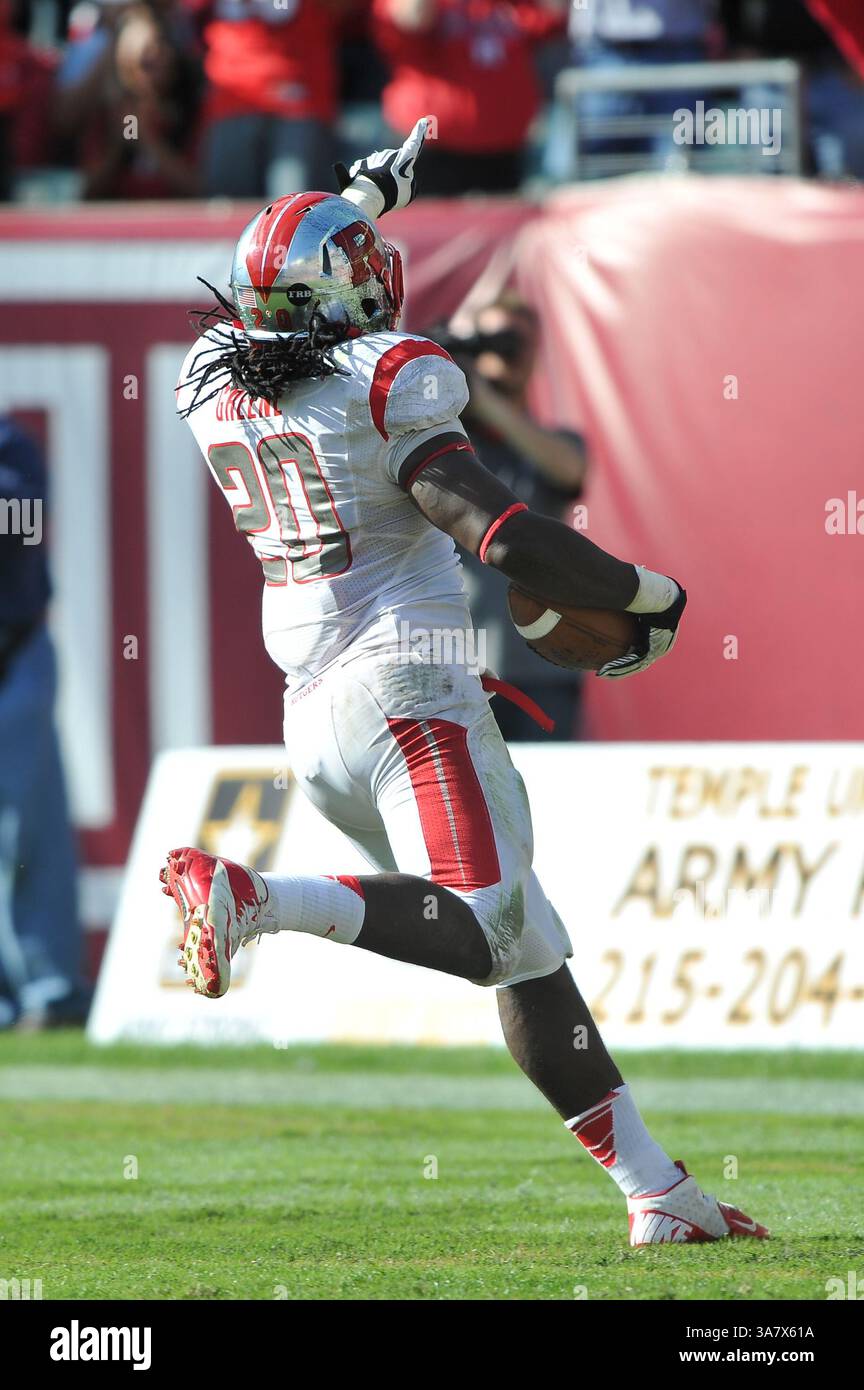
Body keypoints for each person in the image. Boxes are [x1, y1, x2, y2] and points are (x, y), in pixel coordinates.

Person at [165, 120, 766, 1246]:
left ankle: (660, 1194)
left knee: (528, 944)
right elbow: (499, 536)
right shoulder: (384, 380)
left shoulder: (211, 380)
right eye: (355, 265)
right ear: (342, 299)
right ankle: (259, 899)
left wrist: (362, 195)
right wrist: (648, 596)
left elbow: (282, 294)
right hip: (412, 694)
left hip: (313, 711)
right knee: (493, 929)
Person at [440, 294, 588, 740]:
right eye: (491, 343)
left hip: (540, 664)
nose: (502, 354)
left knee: (550, 796)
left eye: (513, 342)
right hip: (461, 662)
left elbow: (569, 468)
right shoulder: (448, 443)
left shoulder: (555, 441)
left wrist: (485, 399)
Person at [0, 417, 88, 1029]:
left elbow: (21, 522)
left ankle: (49, 991)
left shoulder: (8, 444)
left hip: (15, 653)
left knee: (25, 831)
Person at [372, 0, 567, 194]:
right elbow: (411, 18)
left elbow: (553, 17)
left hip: (503, 150)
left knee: (502, 223)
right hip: (430, 149)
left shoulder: (507, 8)